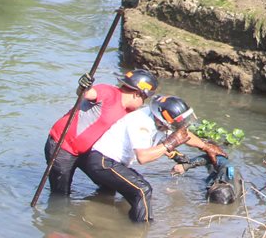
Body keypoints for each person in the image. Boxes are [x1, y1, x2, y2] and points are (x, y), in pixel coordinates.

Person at [82, 94, 225, 223]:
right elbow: (143, 157)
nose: (179, 127)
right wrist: (169, 144)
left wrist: (206, 146)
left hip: (112, 163)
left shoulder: (159, 120)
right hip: (102, 162)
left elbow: (183, 134)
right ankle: (142, 229)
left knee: (108, 198)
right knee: (142, 190)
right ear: (162, 119)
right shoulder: (141, 122)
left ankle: (97, 221)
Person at [44, 69, 158, 196]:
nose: (143, 103)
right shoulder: (109, 92)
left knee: (110, 184)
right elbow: (85, 93)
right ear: (137, 94)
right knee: (60, 195)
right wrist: (84, 86)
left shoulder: (130, 114)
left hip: (89, 152)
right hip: (62, 147)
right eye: (145, 99)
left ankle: (96, 212)